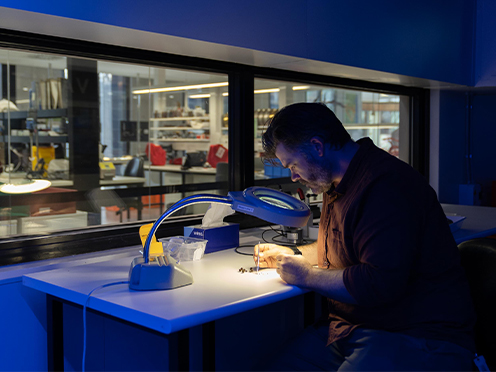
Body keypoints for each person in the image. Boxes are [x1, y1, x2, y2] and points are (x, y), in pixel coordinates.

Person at [254, 102, 476, 371]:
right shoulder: (335, 183)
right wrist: (292, 255)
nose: (294, 176)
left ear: (317, 146)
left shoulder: (386, 185)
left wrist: (306, 276)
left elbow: (378, 283)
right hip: (352, 327)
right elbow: (337, 249)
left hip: (414, 333)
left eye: (293, 165)